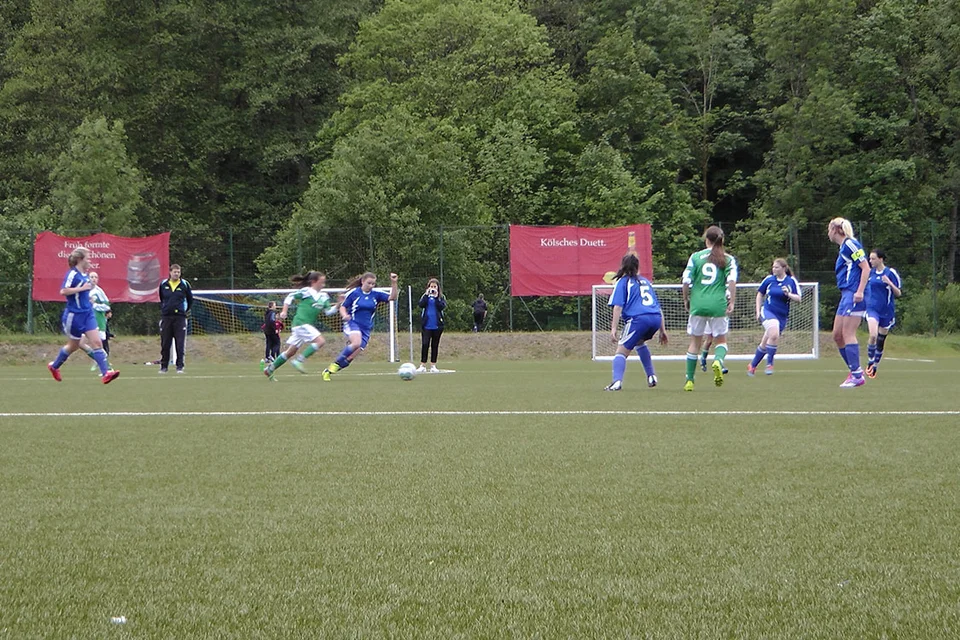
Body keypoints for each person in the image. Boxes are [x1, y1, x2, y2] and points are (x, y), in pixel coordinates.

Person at [46, 247, 120, 384]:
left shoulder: (85, 275)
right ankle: (54, 366)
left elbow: (82, 295)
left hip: (87, 314)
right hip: (74, 316)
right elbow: (63, 291)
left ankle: (106, 373)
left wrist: (89, 301)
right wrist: (82, 289)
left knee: (97, 342)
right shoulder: (73, 274)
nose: (90, 260)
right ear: (80, 259)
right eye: (88, 257)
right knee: (73, 346)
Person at [681, 225, 738, 391]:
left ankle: (690, 380)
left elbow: (685, 281)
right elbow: (732, 281)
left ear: (707, 239)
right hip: (718, 304)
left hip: (698, 304)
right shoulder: (727, 259)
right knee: (721, 340)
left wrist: (686, 299)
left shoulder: (696, 257)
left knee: (694, 343)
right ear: (722, 240)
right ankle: (718, 361)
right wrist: (732, 301)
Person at [604, 253, 668, 391]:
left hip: (639, 319)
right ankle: (651, 376)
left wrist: (613, 328)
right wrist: (663, 330)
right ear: (637, 267)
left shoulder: (623, 282)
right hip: (655, 318)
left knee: (621, 351)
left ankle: (616, 382)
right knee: (639, 343)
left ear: (623, 266)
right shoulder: (645, 281)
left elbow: (618, 306)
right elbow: (657, 307)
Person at [322, 271, 399, 381]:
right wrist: (344, 315)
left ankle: (328, 371)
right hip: (352, 324)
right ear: (363, 281)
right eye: (369, 283)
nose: (371, 286)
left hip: (366, 329)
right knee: (356, 343)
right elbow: (343, 307)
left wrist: (394, 283)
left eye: (373, 284)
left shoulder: (376, 294)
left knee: (350, 358)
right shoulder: (354, 293)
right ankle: (335, 363)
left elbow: (393, 297)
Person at [262, 272, 337, 379]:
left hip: (303, 326)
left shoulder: (324, 296)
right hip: (301, 323)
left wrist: (339, 304)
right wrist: (284, 311)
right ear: (313, 282)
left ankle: (270, 369)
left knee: (290, 352)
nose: (323, 285)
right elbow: (289, 297)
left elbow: (329, 312)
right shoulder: (306, 292)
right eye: (322, 282)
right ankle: (299, 360)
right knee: (321, 341)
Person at [828, 217, 871, 388]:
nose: (828, 233)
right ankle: (855, 372)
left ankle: (856, 375)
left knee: (848, 333)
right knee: (837, 335)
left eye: (829, 229)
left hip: (854, 293)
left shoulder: (850, 244)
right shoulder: (843, 248)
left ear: (837, 230)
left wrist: (860, 291)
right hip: (846, 294)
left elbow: (866, 267)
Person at [747, 258, 801, 376]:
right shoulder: (769, 280)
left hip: (781, 316)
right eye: (773, 267)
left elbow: (798, 298)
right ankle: (769, 364)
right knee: (774, 333)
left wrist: (788, 294)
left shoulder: (791, 281)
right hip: (767, 311)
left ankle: (752, 365)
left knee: (766, 341)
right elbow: (760, 294)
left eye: (776, 267)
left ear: (784, 268)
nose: (773, 269)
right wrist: (758, 311)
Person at [865, 249, 902, 378]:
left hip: (886, 311)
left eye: (873, 259)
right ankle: (870, 361)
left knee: (881, 340)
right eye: (870, 259)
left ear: (880, 259)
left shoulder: (890, 273)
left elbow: (898, 293)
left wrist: (890, 283)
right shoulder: (869, 273)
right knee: (873, 335)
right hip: (872, 309)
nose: (870, 261)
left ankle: (875, 365)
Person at [158, 264, 193, 374]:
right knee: (165, 343)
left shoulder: (184, 284)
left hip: (180, 318)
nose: (176, 274)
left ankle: (180, 367)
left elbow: (190, 299)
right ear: (170, 272)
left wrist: (183, 310)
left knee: (180, 343)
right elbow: (162, 298)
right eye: (175, 272)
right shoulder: (163, 284)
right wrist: (166, 309)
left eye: (178, 272)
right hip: (167, 317)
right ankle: (164, 367)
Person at [418, 277, 446, 373]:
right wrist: (427, 295)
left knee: (435, 345)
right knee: (425, 344)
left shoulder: (441, 297)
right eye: (431, 286)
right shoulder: (425, 296)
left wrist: (436, 297)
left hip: (437, 325)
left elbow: (442, 307)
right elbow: (421, 304)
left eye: (435, 286)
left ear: (438, 288)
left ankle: (433, 365)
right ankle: (422, 365)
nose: (433, 288)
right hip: (426, 325)